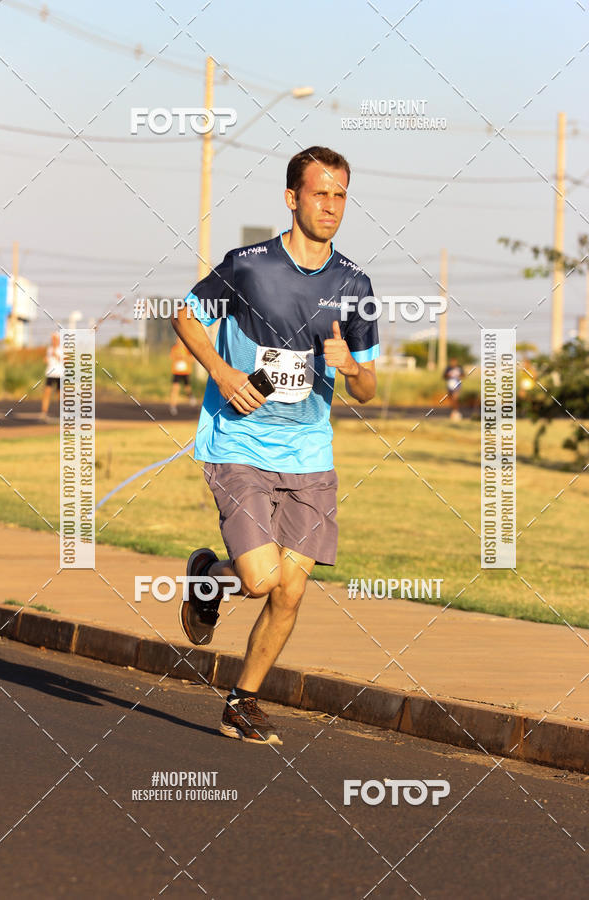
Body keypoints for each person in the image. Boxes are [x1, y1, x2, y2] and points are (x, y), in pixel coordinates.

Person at [172, 146, 379, 745]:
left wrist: (353, 370)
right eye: (320, 193)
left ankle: (243, 701)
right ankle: (207, 576)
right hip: (239, 442)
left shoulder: (355, 285)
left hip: (310, 450)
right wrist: (221, 372)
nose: (331, 206)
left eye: (341, 194)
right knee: (261, 580)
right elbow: (186, 317)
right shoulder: (249, 266)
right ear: (292, 198)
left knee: (291, 590)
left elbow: (367, 388)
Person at [169, 337, 196, 415]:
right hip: (177, 372)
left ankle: (191, 397)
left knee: (187, 388)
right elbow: (171, 357)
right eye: (178, 340)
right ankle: (173, 406)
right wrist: (177, 357)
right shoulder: (175, 349)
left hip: (185, 372)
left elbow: (192, 359)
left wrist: (184, 358)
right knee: (175, 388)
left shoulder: (187, 349)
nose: (179, 342)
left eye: (180, 340)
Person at [41, 331, 63, 419]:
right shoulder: (49, 349)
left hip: (59, 374)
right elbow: (48, 359)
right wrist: (46, 359)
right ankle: (44, 412)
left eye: (55, 339)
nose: (53, 341)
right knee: (47, 392)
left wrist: (57, 356)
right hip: (50, 373)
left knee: (60, 394)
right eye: (52, 339)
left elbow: (67, 361)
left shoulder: (62, 349)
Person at [443, 357, 464, 421]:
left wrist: (459, 376)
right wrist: (448, 375)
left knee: (455, 398)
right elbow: (444, 376)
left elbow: (463, 375)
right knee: (451, 399)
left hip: (457, 385)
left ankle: (456, 412)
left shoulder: (459, 368)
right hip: (450, 385)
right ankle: (454, 412)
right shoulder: (448, 368)